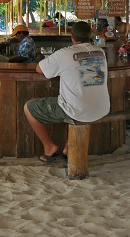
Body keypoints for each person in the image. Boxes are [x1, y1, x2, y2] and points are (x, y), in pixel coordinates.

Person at [23, 21, 110, 162]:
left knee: (29, 108)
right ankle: (68, 148)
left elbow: (39, 69)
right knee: (78, 102)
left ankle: (49, 147)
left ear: (71, 36)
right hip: (102, 108)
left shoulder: (64, 53)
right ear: (90, 35)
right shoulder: (100, 52)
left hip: (77, 109)